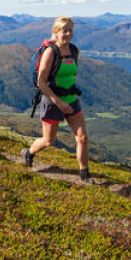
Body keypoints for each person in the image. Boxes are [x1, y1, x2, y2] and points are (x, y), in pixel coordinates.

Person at [21, 16, 92, 183]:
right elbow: (41, 83)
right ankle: (29, 153)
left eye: (70, 30)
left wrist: (68, 100)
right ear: (56, 32)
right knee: (48, 141)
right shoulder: (50, 52)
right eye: (64, 30)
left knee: (82, 137)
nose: (68, 34)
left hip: (71, 99)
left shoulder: (74, 51)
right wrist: (59, 103)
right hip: (52, 102)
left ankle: (84, 174)